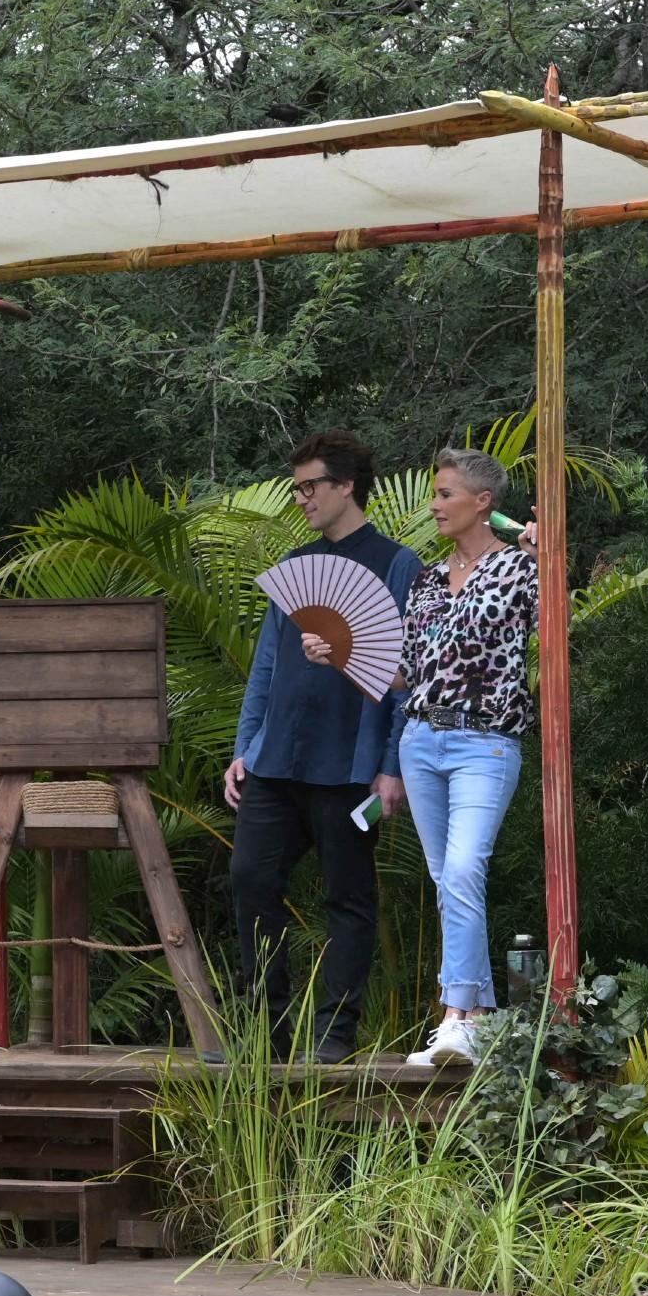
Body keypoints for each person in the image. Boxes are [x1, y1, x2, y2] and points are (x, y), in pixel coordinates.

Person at [309, 448, 538, 1069]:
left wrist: (551, 550)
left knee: (463, 871)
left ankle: (454, 1016)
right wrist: (339, 653)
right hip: (421, 741)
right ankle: (475, 1018)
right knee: (448, 881)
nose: (433, 505)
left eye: (444, 494)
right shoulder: (430, 582)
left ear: (482, 502)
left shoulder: (521, 570)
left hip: (485, 742)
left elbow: (560, 624)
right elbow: (404, 672)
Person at [223, 432, 421, 1063]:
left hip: (349, 768)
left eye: (310, 485)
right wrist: (245, 746)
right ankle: (265, 1035)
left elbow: (407, 679)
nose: (301, 496)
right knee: (250, 881)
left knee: (348, 896)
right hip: (275, 759)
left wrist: (391, 766)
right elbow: (264, 669)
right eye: (297, 486)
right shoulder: (296, 567)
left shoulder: (399, 565)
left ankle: (335, 1036)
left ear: (346, 486)